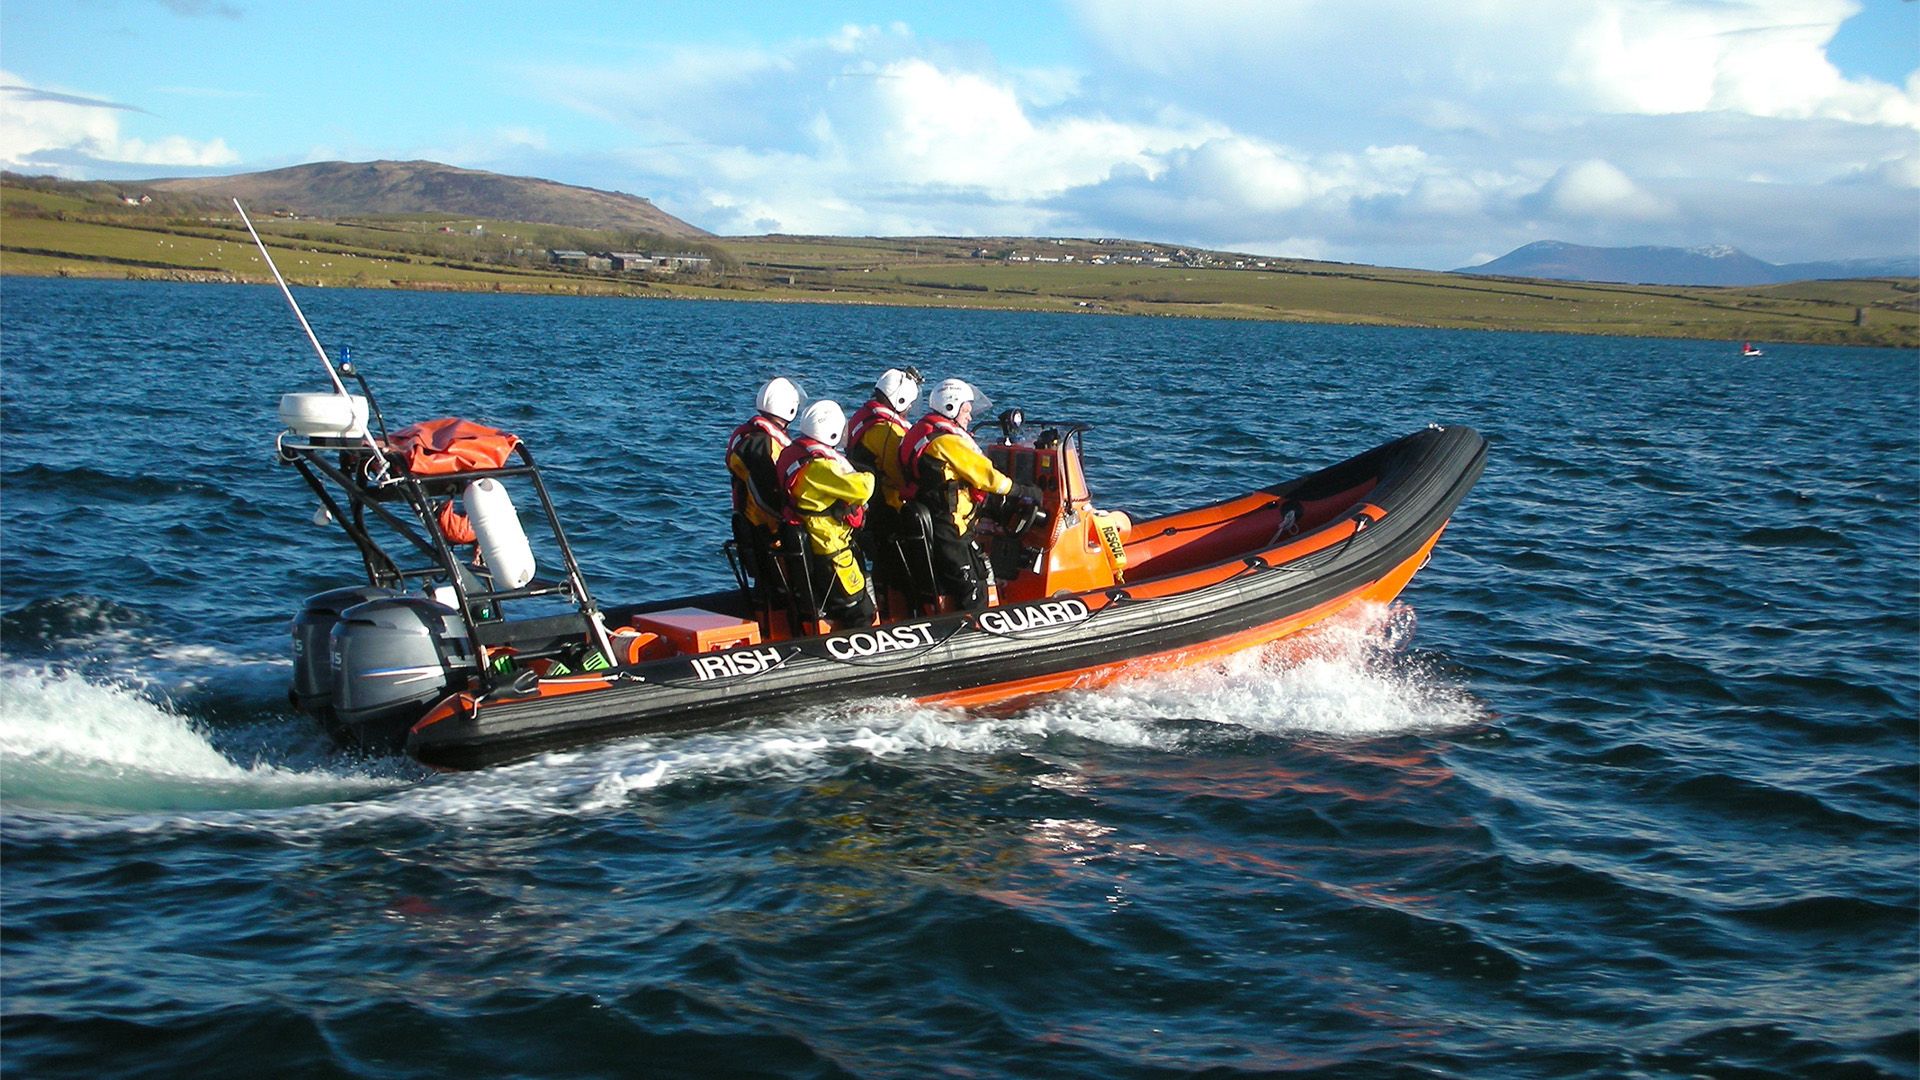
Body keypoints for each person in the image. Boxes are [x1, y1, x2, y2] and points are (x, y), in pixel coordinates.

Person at [899, 378, 1040, 612]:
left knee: (963, 577)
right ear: (951, 408)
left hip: (933, 521)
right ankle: (973, 632)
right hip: (950, 527)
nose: (970, 417)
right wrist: (1023, 491)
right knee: (974, 587)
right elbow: (987, 476)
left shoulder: (921, 431)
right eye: (966, 410)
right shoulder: (948, 442)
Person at [778, 400, 877, 628]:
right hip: (831, 550)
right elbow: (862, 488)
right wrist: (868, 474)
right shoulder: (820, 467)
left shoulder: (792, 454)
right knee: (861, 611)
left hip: (812, 547)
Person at [844, 366, 921, 611]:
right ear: (899, 400)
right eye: (909, 404)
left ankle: (886, 601)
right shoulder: (886, 431)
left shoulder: (863, 418)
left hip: (870, 512)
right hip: (888, 512)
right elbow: (902, 478)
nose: (909, 410)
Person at [726, 377, 800, 605]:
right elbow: (766, 497)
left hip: (755, 531)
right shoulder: (763, 445)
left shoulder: (749, 437)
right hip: (770, 535)